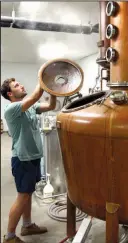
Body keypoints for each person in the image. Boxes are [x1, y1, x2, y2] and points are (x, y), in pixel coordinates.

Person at [1, 78, 56, 243]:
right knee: (22, 196)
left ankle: (27, 225)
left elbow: (50, 106)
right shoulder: (12, 108)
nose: (22, 85)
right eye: (16, 85)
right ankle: (9, 237)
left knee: (28, 193)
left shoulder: (30, 107)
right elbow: (35, 95)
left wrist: (53, 91)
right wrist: (45, 78)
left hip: (33, 157)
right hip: (22, 159)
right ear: (10, 94)